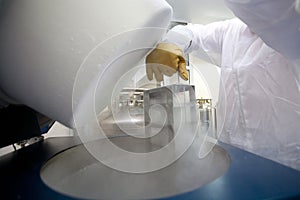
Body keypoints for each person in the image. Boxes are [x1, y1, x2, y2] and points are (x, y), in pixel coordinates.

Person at [146, 0, 300, 170]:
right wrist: (173, 42)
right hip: (232, 151)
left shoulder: (292, 29)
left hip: (285, 161)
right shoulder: (232, 30)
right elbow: (193, 33)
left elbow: (264, 8)